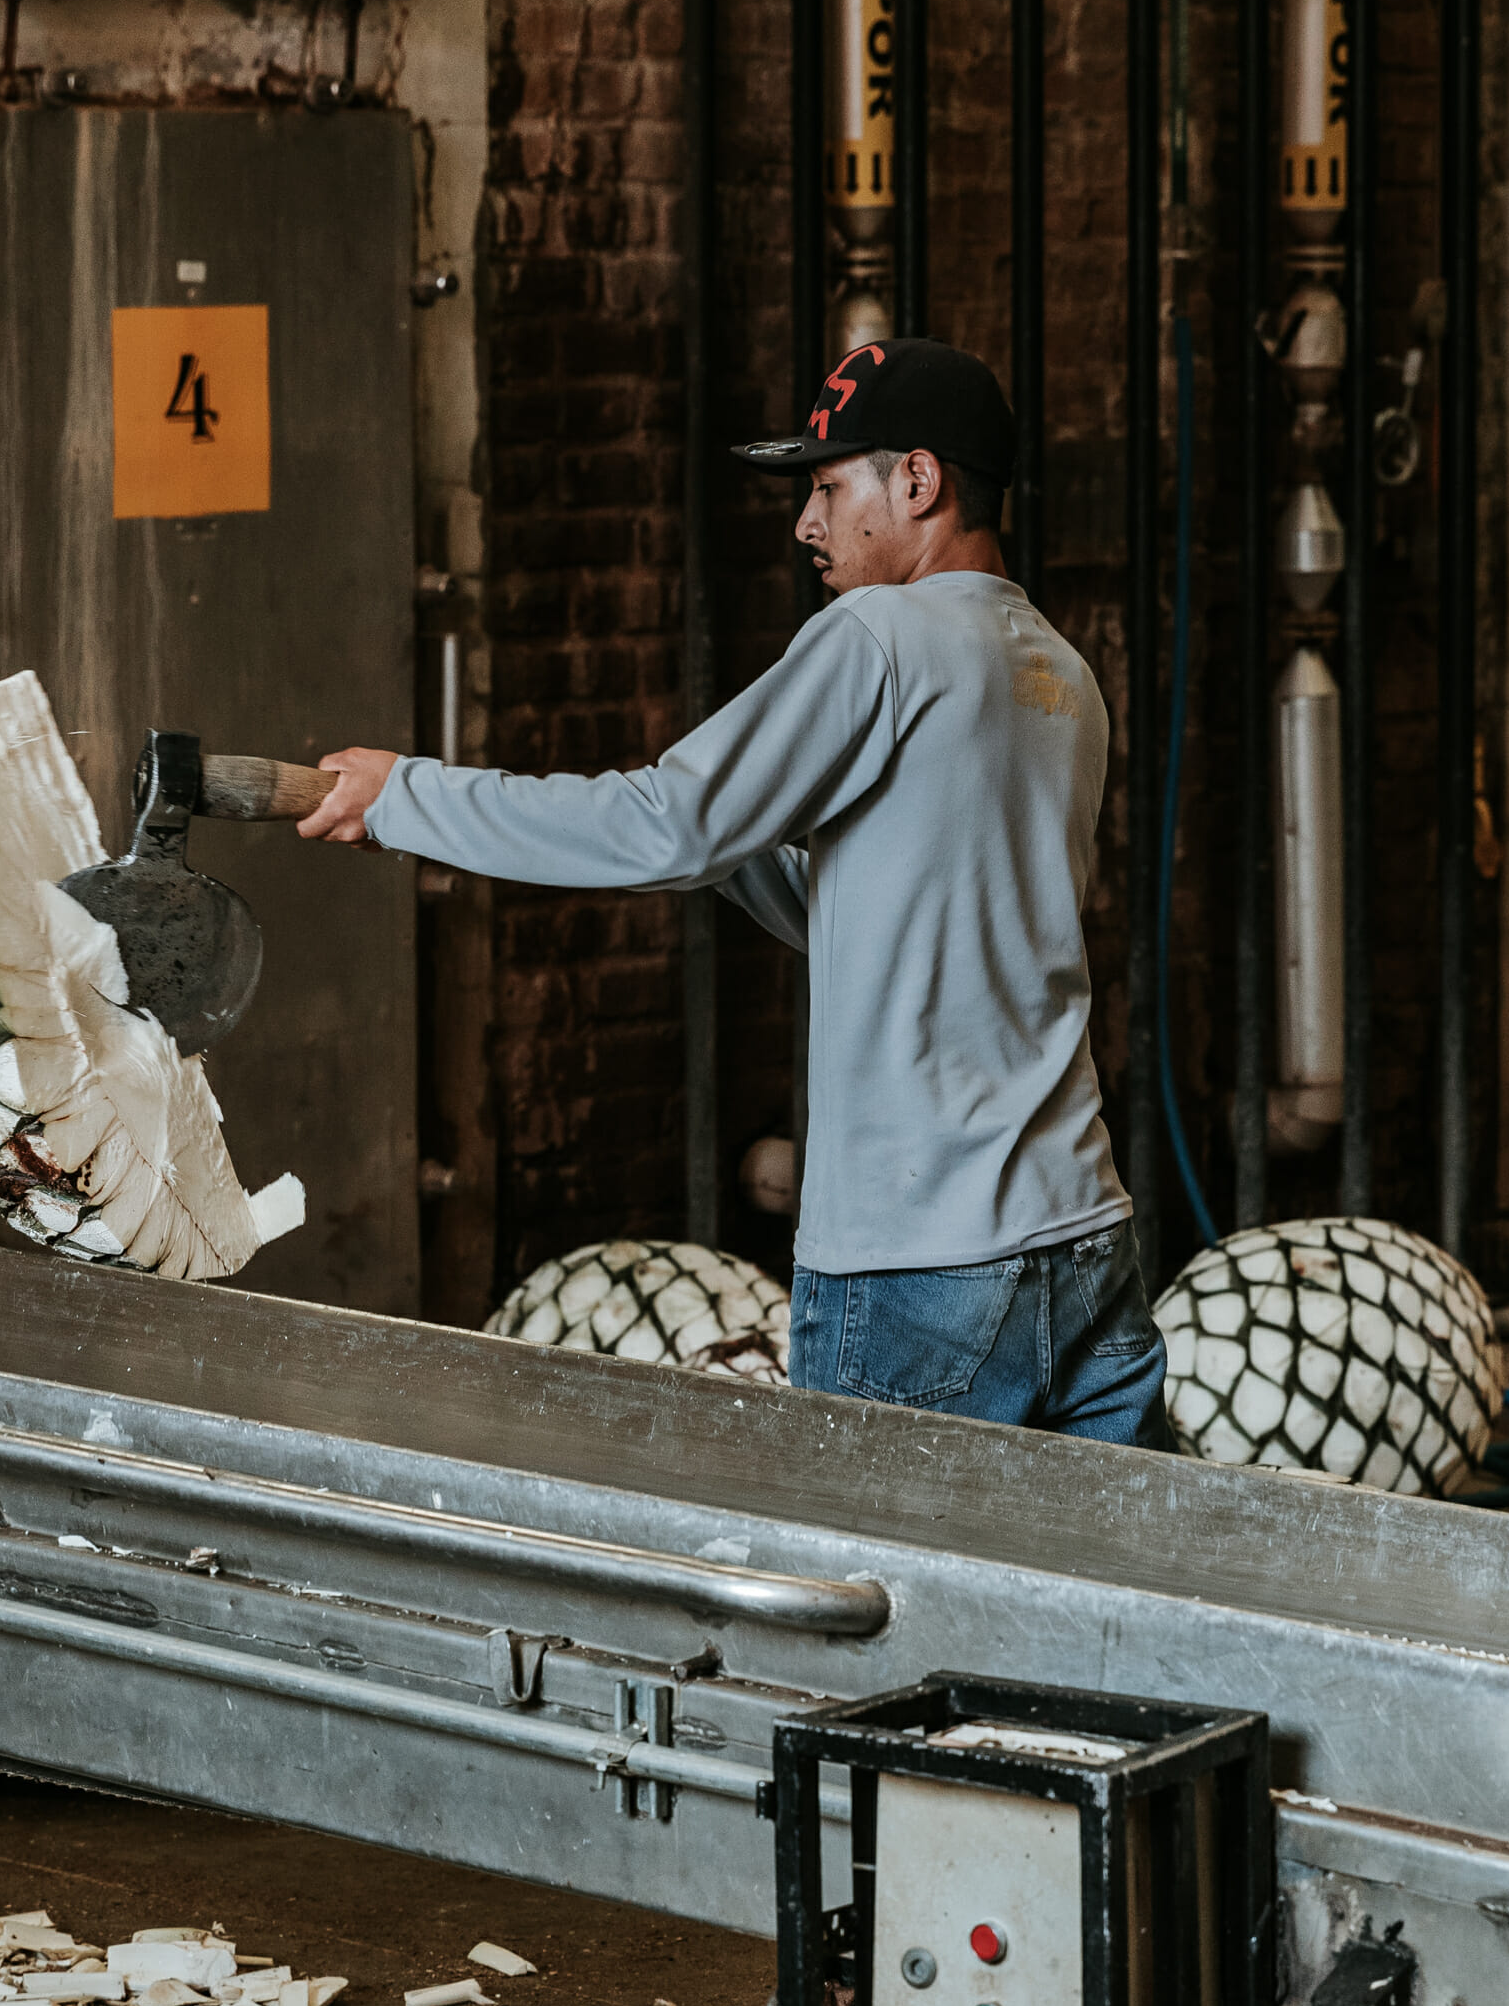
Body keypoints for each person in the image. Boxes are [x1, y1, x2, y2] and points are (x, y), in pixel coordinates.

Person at [297, 335, 1167, 1442]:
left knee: (884, 1606)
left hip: (922, 1268)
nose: (806, 523)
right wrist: (729, 830)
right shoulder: (1063, 673)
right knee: (1098, 1606)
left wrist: (407, 796)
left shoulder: (879, 637)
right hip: (1084, 1245)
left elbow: (661, 823)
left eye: (826, 485)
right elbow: (881, 924)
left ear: (918, 480)